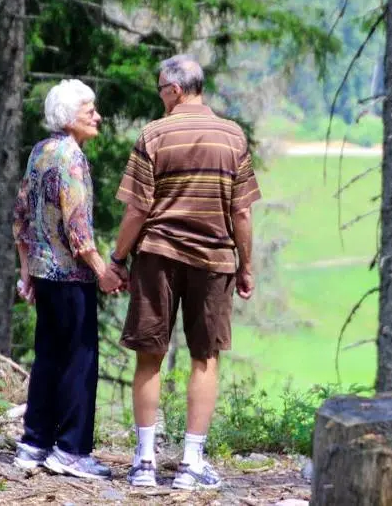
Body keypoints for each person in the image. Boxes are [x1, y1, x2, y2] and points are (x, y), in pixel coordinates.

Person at [107, 55, 260, 490]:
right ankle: (191, 464)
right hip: (213, 262)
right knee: (205, 358)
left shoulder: (153, 134)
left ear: (174, 90)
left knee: (149, 357)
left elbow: (138, 209)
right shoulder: (232, 136)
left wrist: (117, 260)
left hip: (157, 257)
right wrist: (246, 266)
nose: (160, 97)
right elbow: (242, 211)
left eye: (160, 89)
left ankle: (144, 463)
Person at [11, 79, 123, 480]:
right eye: (89, 109)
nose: (97, 116)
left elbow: (20, 217)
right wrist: (103, 272)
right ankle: (71, 450)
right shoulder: (72, 158)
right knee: (79, 361)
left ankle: (34, 442)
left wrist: (26, 274)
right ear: (69, 116)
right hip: (72, 276)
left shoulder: (40, 151)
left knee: (48, 359)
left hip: (44, 275)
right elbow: (79, 230)